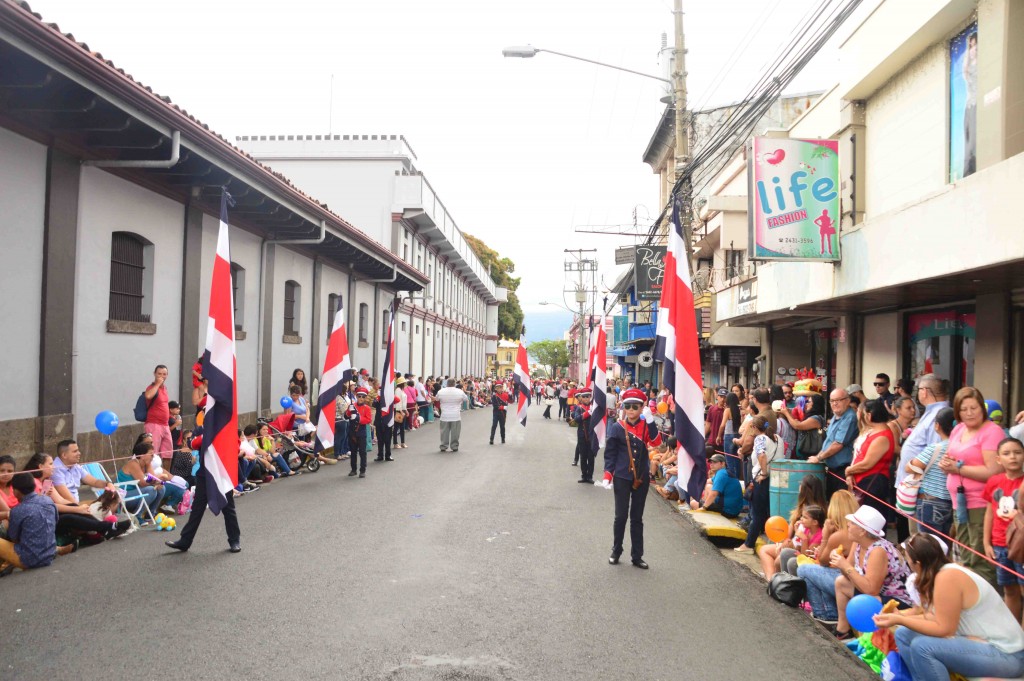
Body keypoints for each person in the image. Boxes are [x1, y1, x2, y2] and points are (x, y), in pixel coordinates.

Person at [875, 533, 1024, 681]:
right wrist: (899, 617)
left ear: (918, 563)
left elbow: (944, 629)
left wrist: (899, 619)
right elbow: (934, 617)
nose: (907, 563)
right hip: (988, 647)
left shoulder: (947, 578)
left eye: (908, 559)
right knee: (904, 634)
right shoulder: (942, 573)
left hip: (1007, 654)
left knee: (922, 647)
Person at [939, 386, 1004, 587]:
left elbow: (993, 471)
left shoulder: (992, 432)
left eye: (973, 408)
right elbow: (953, 457)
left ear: (982, 409)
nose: (969, 413)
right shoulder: (959, 429)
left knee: (980, 559)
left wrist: (958, 469)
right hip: (959, 503)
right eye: (963, 409)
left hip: (980, 505)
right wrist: (945, 464)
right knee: (964, 557)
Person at [830, 505, 912, 640]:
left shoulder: (878, 551)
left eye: (852, 523)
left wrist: (844, 564)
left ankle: (869, 640)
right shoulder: (858, 543)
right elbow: (847, 573)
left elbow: (871, 590)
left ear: (862, 531)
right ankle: (843, 629)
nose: (848, 525)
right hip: (878, 594)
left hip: (898, 601)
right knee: (841, 582)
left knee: (864, 599)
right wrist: (839, 562)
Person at [603, 388, 662, 569]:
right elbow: (610, 453)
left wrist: (650, 421)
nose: (631, 410)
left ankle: (637, 556)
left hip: (641, 478)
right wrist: (608, 474)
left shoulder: (645, 427)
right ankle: (616, 550)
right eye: (627, 406)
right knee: (620, 516)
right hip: (622, 476)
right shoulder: (617, 427)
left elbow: (657, 443)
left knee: (637, 518)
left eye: (635, 407)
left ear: (642, 407)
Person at [165, 442, 242, 554]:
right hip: (205, 475)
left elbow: (236, 447)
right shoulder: (204, 431)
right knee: (197, 509)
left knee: (228, 508)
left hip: (222, 473)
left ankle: (235, 540)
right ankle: (185, 541)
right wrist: (206, 436)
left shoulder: (225, 427)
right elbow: (193, 443)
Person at [798, 490, 860, 625]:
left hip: (846, 579)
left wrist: (826, 536)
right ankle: (829, 611)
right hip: (851, 578)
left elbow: (823, 561)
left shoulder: (839, 534)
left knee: (803, 569)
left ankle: (824, 613)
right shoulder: (853, 530)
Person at [898, 375, 950, 527]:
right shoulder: (931, 411)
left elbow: (936, 453)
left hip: (927, 494)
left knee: (925, 543)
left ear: (925, 391)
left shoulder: (939, 414)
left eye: (918, 389)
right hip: (917, 491)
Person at [983, 437, 1024, 623]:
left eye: (1017, 452)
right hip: (1000, 544)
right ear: (999, 459)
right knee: (1009, 589)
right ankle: (1014, 632)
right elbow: (990, 512)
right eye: (1007, 454)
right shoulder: (994, 481)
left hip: (1021, 545)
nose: (1013, 457)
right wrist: (986, 541)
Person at [757, 475, 826, 576]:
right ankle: (771, 580)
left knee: (778, 559)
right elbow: (788, 534)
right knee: (764, 550)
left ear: (806, 490)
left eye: (801, 484)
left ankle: (774, 581)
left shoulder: (815, 513)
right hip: (794, 544)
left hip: (798, 548)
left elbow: (806, 553)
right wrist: (784, 542)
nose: (799, 486)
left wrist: (790, 543)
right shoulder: (803, 508)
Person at [0, 473, 67, 574]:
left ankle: (7, 563)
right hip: (49, 554)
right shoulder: (48, 501)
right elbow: (55, 521)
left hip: (29, 559)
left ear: (16, 491)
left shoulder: (17, 511)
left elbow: (13, 537)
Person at [735, 416, 781, 554]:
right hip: (776, 478)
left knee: (756, 513)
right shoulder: (777, 438)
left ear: (754, 427)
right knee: (768, 511)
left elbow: (761, 455)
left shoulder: (760, 439)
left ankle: (748, 545)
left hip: (762, 478)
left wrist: (764, 473)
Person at [908, 407, 955, 539]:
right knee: (945, 543)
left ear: (937, 426)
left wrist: (910, 462)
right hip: (950, 503)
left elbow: (911, 467)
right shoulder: (959, 447)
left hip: (930, 501)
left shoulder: (936, 448)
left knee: (929, 543)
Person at [845, 399, 895, 515]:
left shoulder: (882, 436)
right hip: (863, 481)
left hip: (873, 483)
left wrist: (849, 470)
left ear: (868, 415)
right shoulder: (873, 432)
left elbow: (867, 463)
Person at [808, 389, 858, 498]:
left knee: (840, 504)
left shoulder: (850, 417)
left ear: (848, 401)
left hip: (843, 469)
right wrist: (818, 457)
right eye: (832, 401)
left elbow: (838, 444)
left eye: (839, 400)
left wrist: (819, 457)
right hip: (832, 469)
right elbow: (828, 443)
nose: (835, 403)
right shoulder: (836, 416)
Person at [117, 442, 167, 521]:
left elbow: (153, 479)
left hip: (137, 492)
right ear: (142, 455)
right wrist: (159, 478)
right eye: (151, 454)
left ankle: (150, 514)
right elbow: (143, 482)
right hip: (124, 495)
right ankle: (138, 516)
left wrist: (160, 483)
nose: (153, 456)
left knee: (161, 488)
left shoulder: (147, 463)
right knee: (151, 490)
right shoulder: (133, 464)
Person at [775, 504, 826, 576]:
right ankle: (784, 579)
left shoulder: (820, 535)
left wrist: (804, 539)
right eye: (802, 516)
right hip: (803, 556)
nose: (801, 519)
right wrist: (797, 533)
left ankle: (793, 584)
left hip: (813, 564)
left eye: (805, 517)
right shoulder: (807, 529)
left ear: (815, 522)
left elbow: (805, 556)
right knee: (785, 552)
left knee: (792, 562)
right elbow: (797, 548)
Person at [780, 393, 827, 462]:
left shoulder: (816, 418)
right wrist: (789, 413)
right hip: (804, 455)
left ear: (815, 404)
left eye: (809, 402)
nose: (806, 404)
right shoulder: (810, 417)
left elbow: (797, 425)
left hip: (811, 457)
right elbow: (797, 423)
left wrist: (786, 413)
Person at [143, 365, 175, 464]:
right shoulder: (151, 387)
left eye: (164, 374)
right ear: (154, 374)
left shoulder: (165, 388)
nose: (162, 376)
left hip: (165, 425)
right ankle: (152, 477)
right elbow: (148, 396)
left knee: (168, 454)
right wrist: (157, 384)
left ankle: (166, 476)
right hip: (154, 424)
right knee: (153, 454)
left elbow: (163, 405)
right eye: (159, 374)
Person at [698, 454, 742, 518]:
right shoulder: (723, 472)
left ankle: (706, 518)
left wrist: (704, 507)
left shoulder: (722, 473)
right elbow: (708, 481)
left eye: (715, 462)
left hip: (728, 511)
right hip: (733, 509)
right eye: (711, 462)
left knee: (694, 503)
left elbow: (714, 494)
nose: (711, 464)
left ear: (722, 463)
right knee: (708, 486)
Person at [571, 388, 596, 482]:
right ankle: (584, 475)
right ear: (581, 397)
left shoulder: (594, 407)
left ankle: (590, 476)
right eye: (584, 397)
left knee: (591, 456)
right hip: (582, 434)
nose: (586, 398)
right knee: (583, 456)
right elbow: (576, 419)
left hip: (592, 435)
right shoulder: (579, 407)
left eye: (587, 396)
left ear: (590, 397)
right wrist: (586, 414)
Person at [437, 379, 467, 453]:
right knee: (455, 432)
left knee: (444, 432)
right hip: (455, 415)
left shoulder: (441, 391)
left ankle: (443, 446)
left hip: (444, 415)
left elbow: (437, 398)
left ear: (447, 383)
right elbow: (466, 399)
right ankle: (454, 446)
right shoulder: (459, 391)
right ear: (454, 384)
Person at [348, 387, 372, 477]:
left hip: (361, 433)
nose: (361, 398)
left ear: (365, 398)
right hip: (352, 432)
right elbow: (346, 416)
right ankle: (353, 469)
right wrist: (348, 411)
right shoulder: (352, 405)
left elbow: (368, 420)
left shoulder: (367, 408)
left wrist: (358, 418)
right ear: (356, 396)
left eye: (363, 397)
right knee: (353, 452)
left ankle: (362, 470)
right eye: (359, 396)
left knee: (362, 452)